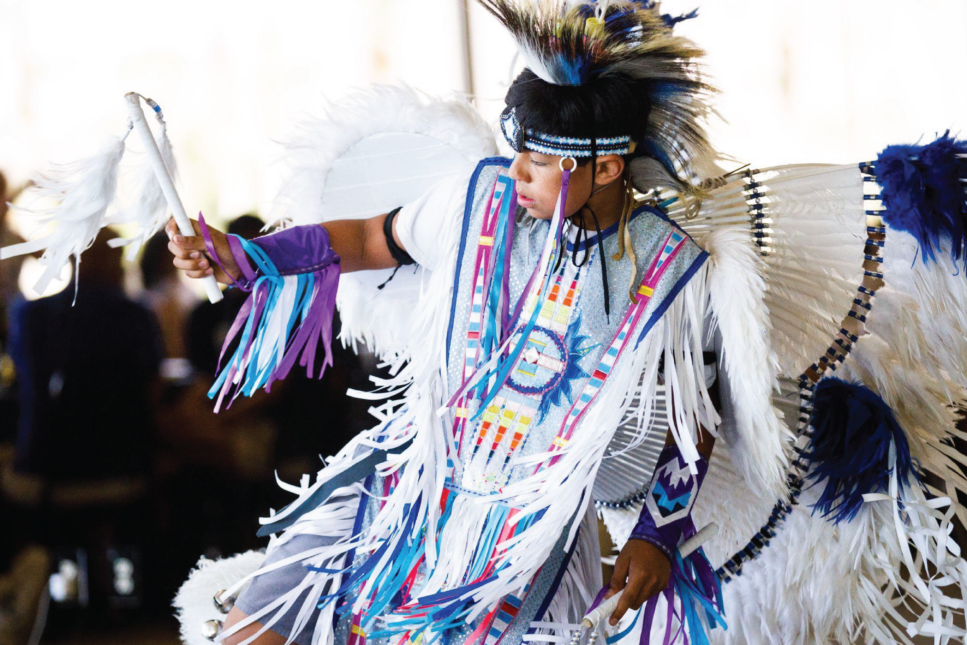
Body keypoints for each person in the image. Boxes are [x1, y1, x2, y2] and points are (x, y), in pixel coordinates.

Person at [165, 2, 967, 645]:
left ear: (604, 167)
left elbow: (692, 418)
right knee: (257, 627)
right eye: (516, 150)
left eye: (537, 160)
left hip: (533, 539)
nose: (513, 168)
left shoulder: (672, 273)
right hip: (405, 484)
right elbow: (369, 237)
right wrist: (245, 258)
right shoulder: (476, 199)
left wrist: (656, 534)